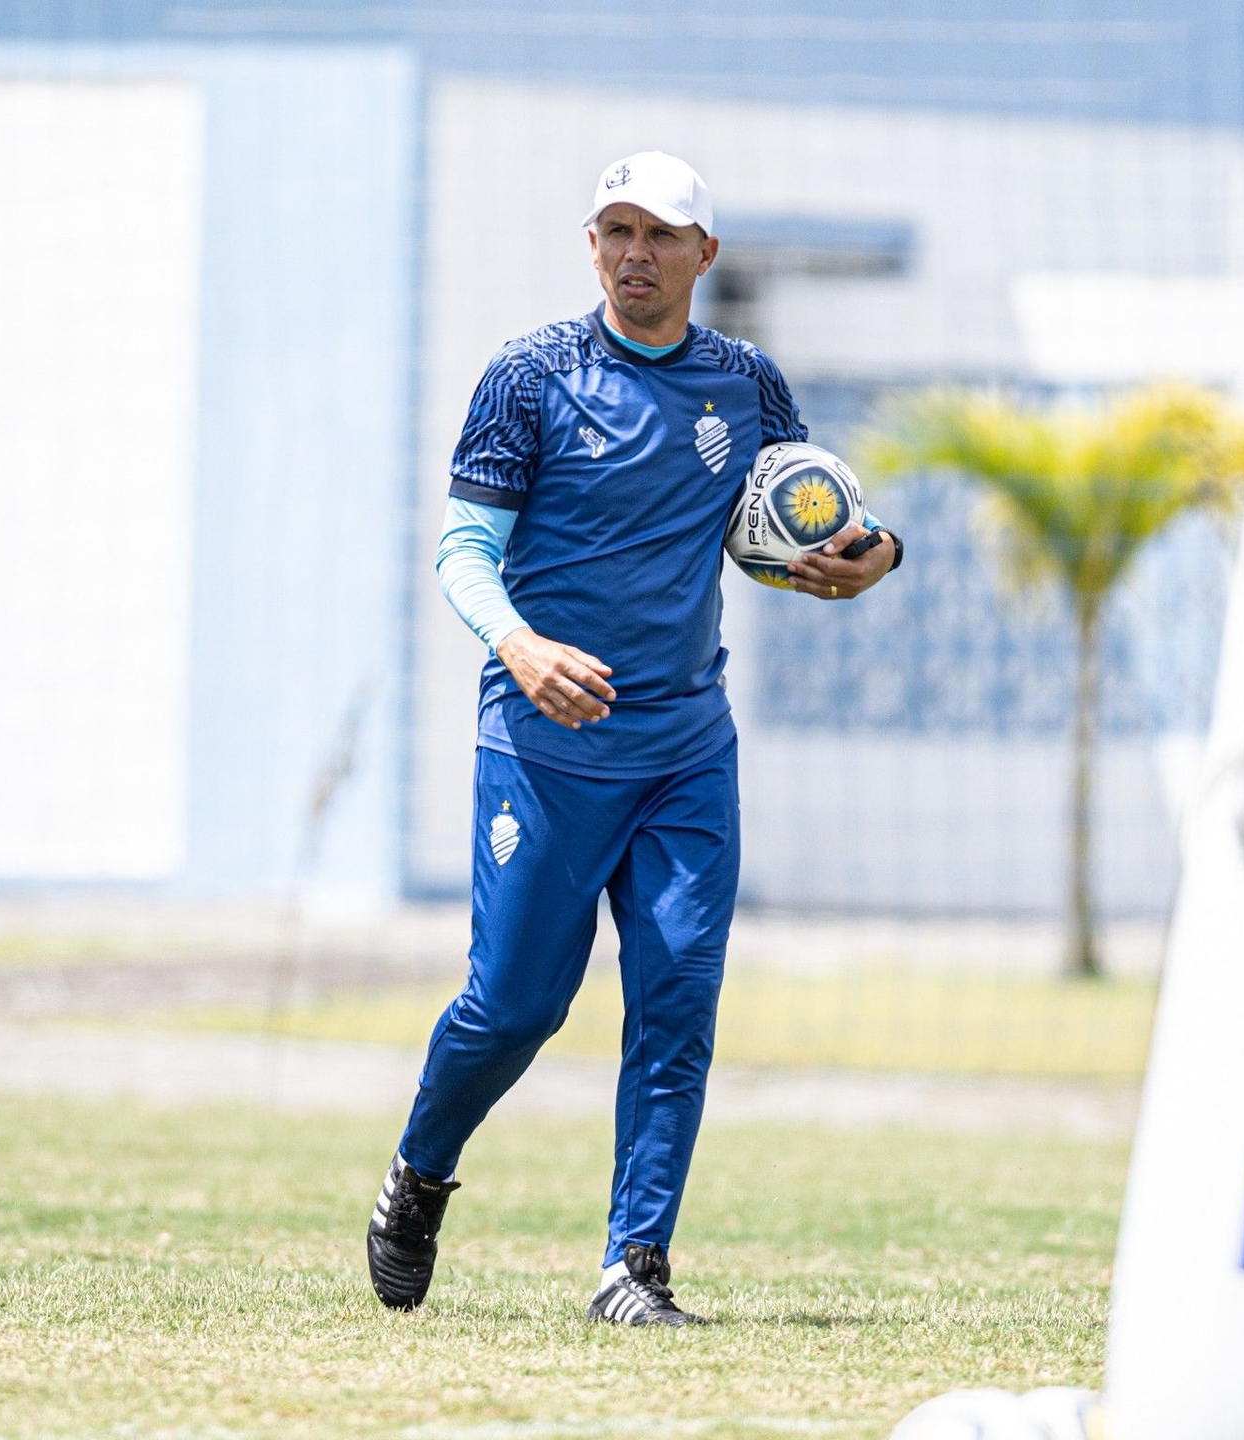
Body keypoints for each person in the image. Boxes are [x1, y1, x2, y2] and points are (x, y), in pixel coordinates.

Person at [366, 151, 904, 1326]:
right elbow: (463, 550)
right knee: (513, 1006)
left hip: (684, 752)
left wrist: (867, 560)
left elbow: (816, 512)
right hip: (545, 744)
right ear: (591, 244)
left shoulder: (745, 383)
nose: (634, 255)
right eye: (614, 231)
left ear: (705, 254)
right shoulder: (530, 376)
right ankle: (418, 1176)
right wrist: (519, 645)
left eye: (659, 234)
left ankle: (634, 1266)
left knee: (677, 1004)